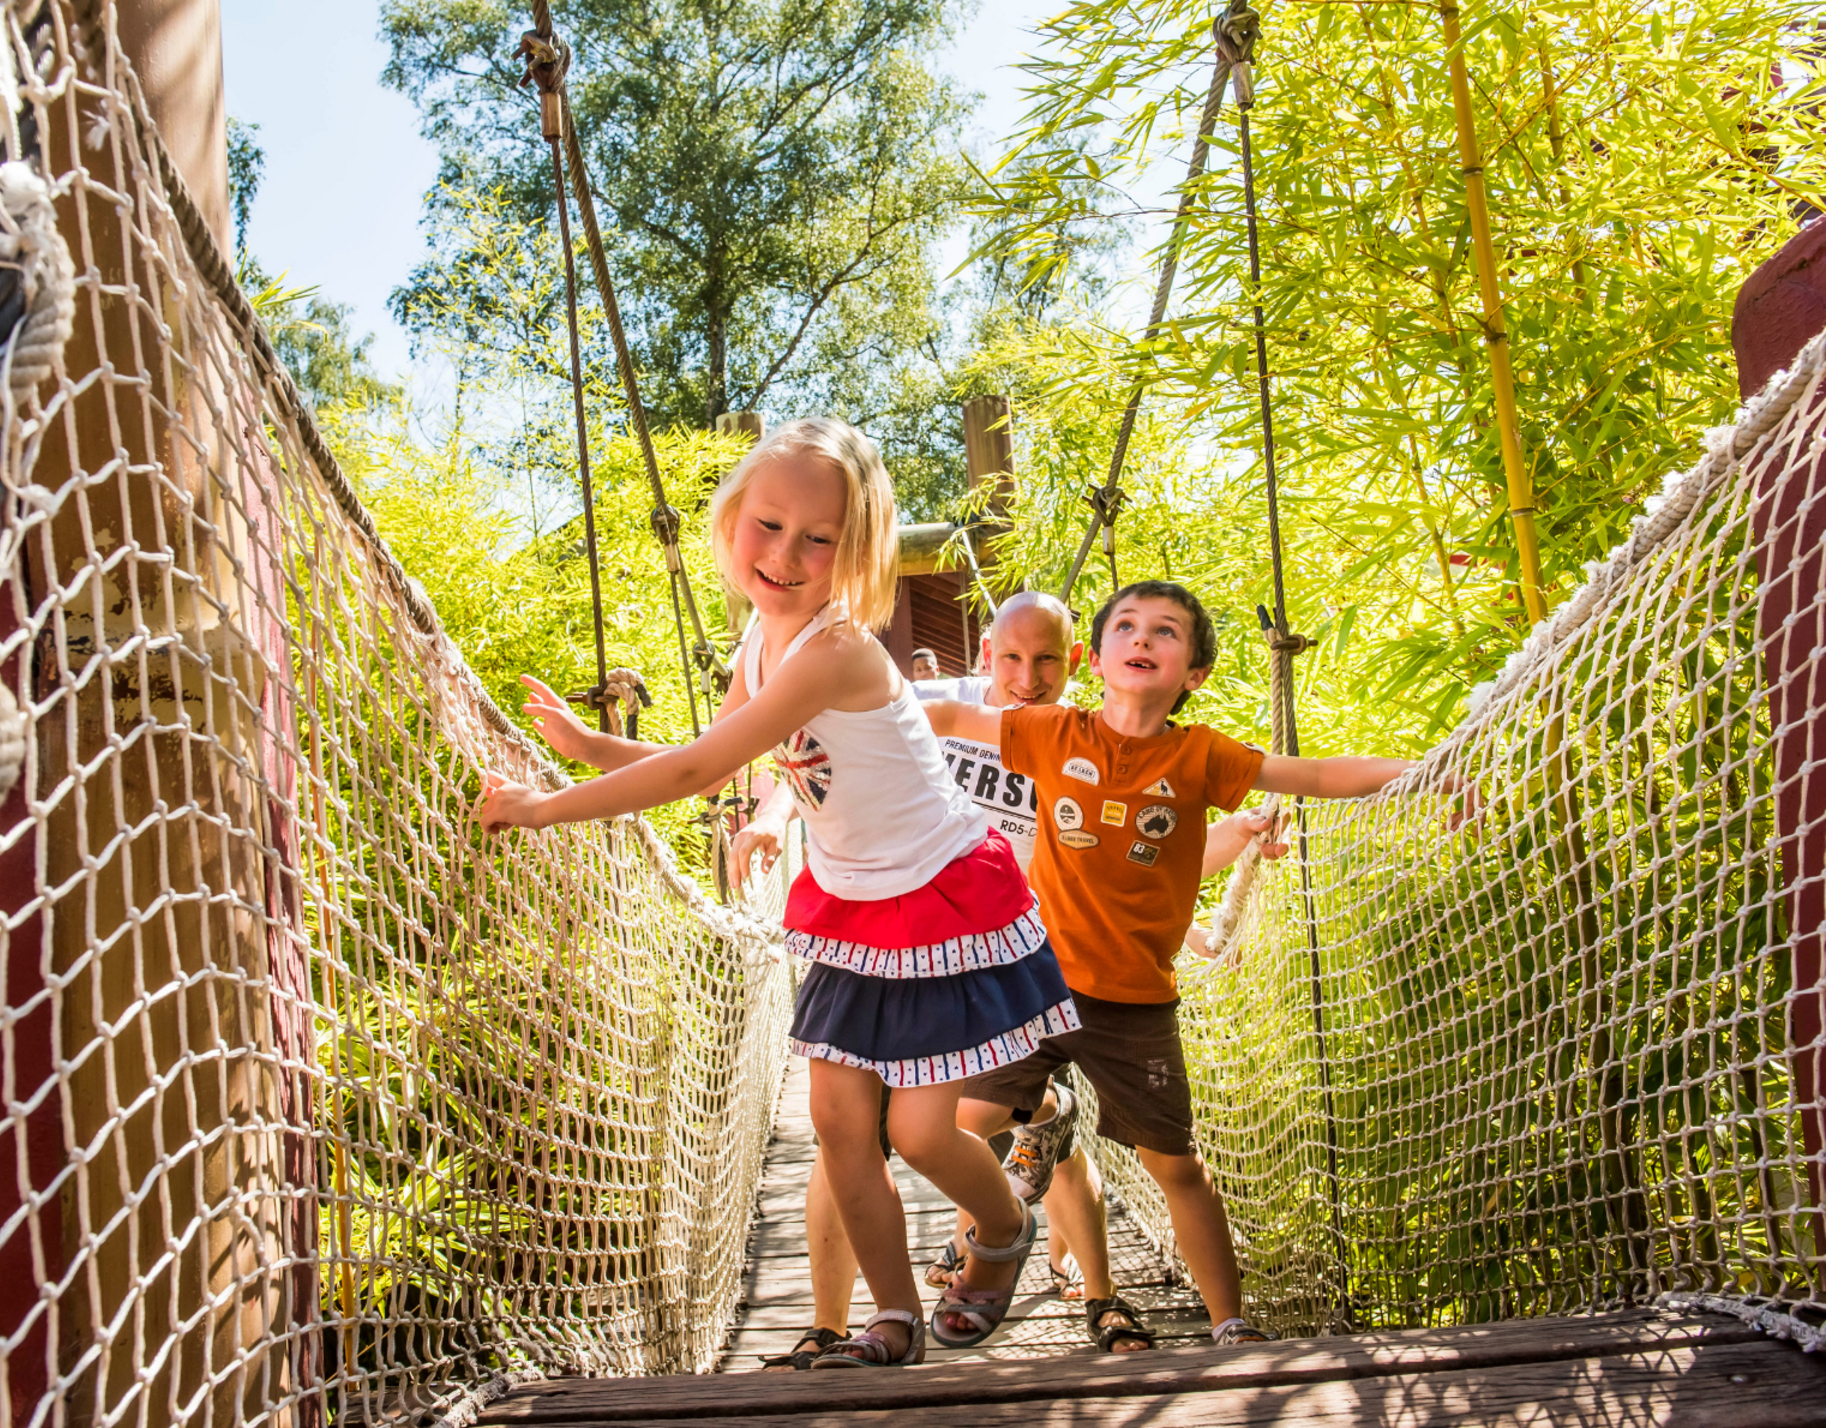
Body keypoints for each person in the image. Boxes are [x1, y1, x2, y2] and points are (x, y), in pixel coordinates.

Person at [482, 418, 1073, 1368]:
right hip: (851, 904)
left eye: (818, 538)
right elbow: (714, 761)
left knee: (920, 1135)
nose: (785, 556)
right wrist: (594, 749)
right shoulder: (761, 636)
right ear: (728, 523)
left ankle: (1002, 1232)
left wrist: (552, 804)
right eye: (767, 525)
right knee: (842, 1124)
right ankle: (892, 1319)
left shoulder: (838, 654)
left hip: (937, 897)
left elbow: (692, 774)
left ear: (858, 554)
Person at [737, 590, 1280, 1361]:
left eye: (1049, 662)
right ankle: (836, 1320)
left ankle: (1092, 1288)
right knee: (854, 1130)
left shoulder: (1066, 740)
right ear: (985, 652)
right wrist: (771, 815)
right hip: (890, 933)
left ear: (1076, 666)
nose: (1028, 678)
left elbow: (1151, 837)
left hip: (1011, 954)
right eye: (1013, 658)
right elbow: (810, 735)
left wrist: (1244, 835)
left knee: (979, 1132)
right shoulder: (933, 706)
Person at [925, 579, 1431, 1347]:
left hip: (1135, 1004)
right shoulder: (1055, 732)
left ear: (1192, 673)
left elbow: (1320, 776)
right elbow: (949, 715)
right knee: (960, 1122)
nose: (1143, 638)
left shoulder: (1200, 758)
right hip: (1040, 984)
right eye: (1126, 626)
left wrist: (1431, 770)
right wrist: (837, 714)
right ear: (1095, 659)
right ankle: (999, 1233)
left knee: (1178, 1167)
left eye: (1166, 632)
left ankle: (1231, 1322)